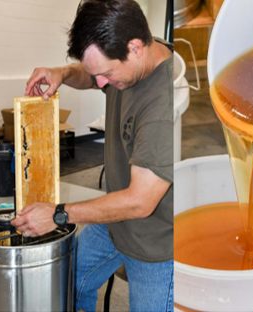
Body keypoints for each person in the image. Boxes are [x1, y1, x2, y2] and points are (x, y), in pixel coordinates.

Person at [13, 0, 173, 311]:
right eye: (96, 73)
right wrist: (62, 72)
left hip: (157, 244)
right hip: (114, 222)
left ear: (136, 47)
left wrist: (57, 214)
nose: (100, 84)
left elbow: (140, 202)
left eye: (106, 74)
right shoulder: (132, 58)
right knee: (67, 282)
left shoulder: (162, 106)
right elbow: (90, 76)